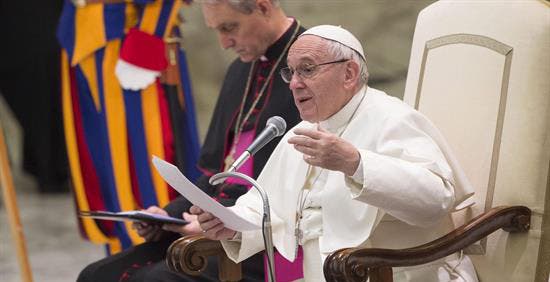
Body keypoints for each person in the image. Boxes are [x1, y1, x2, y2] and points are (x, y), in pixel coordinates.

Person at [193, 25, 479, 281]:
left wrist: (356, 164)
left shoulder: (393, 119)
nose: (294, 83)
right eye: (290, 72)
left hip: (403, 274)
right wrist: (230, 223)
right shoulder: (300, 133)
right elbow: (265, 207)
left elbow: (436, 200)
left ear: (349, 73)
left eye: (307, 69)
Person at [78, 0, 304, 281]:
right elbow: (213, 172)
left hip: (263, 235)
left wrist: (223, 222)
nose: (224, 42)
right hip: (212, 223)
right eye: (217, 30)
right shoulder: (239, 70)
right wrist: (165, 217)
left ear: (263, 7)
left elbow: (300, 185)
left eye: (229, 27)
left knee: (152, 280)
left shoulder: (309, 71)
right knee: (97, 274)